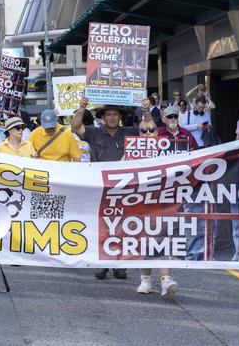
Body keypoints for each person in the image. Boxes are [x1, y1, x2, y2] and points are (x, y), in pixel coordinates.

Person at [72, 100, 137, 279]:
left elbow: (151, 130)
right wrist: (82, 107)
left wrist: (147, 111)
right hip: (100, 187)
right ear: (102, 117)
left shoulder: (130, 132)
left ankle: (119, 265)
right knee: (102, 227)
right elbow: (76, 125)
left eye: (115, 114)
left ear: (120, 117)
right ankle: (102, 264)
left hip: (125, 187)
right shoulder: (93, 132)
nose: (112, 117)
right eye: (108, 114)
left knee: (122, 227)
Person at [134, 115, 179, 297]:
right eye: (143, 131)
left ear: (157, 132)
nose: (147, 134)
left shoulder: (169, 150)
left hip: (163, 203)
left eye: (151, 130)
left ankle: (165, 280)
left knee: (163, 241)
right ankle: (145, 280)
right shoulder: (132, 150)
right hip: (138, 204)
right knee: (141, 243)